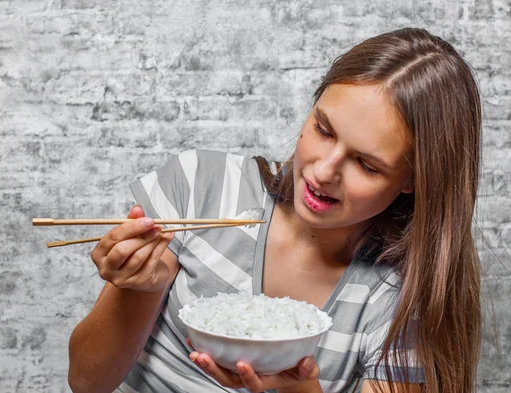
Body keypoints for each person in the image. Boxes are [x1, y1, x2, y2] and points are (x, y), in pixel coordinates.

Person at [67, 27, 482, 393]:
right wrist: (141, 288)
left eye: (367, 164)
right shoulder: (200, 185)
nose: (323, 171)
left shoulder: (403, 297)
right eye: (323, 129)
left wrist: (299, 384)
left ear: (413, 181)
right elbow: (87, 381)